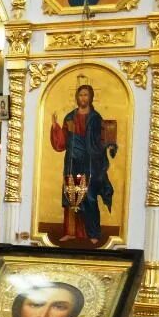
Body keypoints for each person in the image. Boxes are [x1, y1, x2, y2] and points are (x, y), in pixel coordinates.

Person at [49, 84, 116, 243]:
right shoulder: (70, 117)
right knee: (71, 195)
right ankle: (71, 231)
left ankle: (93, 233)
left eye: (86, 95)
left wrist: (107, 143)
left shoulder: (95, 118)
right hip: (72, 161)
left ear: (91, 97)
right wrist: (55, 127)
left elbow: (101, 140)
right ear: (77, 98)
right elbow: (61, 143)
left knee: (89, 197)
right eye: (81, 95)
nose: (83, 98)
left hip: (89, 163)